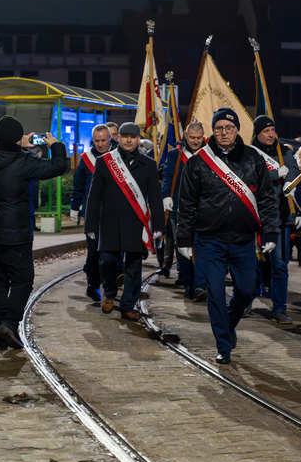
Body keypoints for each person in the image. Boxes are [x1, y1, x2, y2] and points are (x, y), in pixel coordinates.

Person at [176, 108, 279, 365]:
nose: (224, 132)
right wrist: (184, 239)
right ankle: (223, 345)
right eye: (219, 128)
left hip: (243, 239)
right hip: (210, 240)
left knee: (246, 291)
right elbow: (186, 203)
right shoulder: (199, 161)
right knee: (215, 293)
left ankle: (229, 324)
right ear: (214, 130)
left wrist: (271, 231)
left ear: (237, 130)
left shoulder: (253, 158)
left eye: (229, 128)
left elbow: (267, 197)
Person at [0, 115, 69, 349]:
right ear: (18, 137)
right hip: (15, 235)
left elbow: (7, 156)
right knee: (22, 280)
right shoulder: (22, 161)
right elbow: (58, 166)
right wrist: (55, 146)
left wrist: (20, 146)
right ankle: (9, 322)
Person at [84, 122, 164, 322]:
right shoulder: (105, 162)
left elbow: (155, 197)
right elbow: (94, 196)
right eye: (125, 136)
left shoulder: (148, 165)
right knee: (108, 262)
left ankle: (128, 305)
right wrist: (90, 225)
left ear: (138, 139)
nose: (128, 139)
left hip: (135, 223)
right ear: (118, 137)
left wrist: (159, 227)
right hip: (109, 222)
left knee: (134, 267)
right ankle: (109, 293)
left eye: (132, 136)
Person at [251, 115, 299, 325]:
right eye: (266, 131)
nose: (271, 135)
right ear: (257, 134)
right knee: (249, 263)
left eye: (272, 130)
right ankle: (243, 302)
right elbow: (251, 174)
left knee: (280, 265)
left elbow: (294, 171)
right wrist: (274, 174)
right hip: (254, 215)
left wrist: (288, 181)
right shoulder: (250, 153)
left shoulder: (285, 151)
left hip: (280, 216)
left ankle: (279, 308)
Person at [161, 121, 206, 300]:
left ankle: (200, 286)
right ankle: (188, 283)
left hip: (205, 209)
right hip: (180, 209)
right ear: (185, 136)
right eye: (192, 138)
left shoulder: (209, 154)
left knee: (202, 248)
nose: (195, 141)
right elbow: (167, 176)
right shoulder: (175, 156)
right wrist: (165, 196)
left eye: (199, 138)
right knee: (183, 249)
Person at [70, 124, 114, 302]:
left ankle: (110, 285)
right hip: (92, 214)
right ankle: (93, 285)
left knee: (110, 253)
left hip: (113, 213)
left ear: (110, 139)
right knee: (93, 252)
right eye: (97, 141)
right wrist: (74, 207)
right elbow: (78, 184)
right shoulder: (87, 158)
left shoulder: (118, 156)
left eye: (104, 140)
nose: (101, 144)